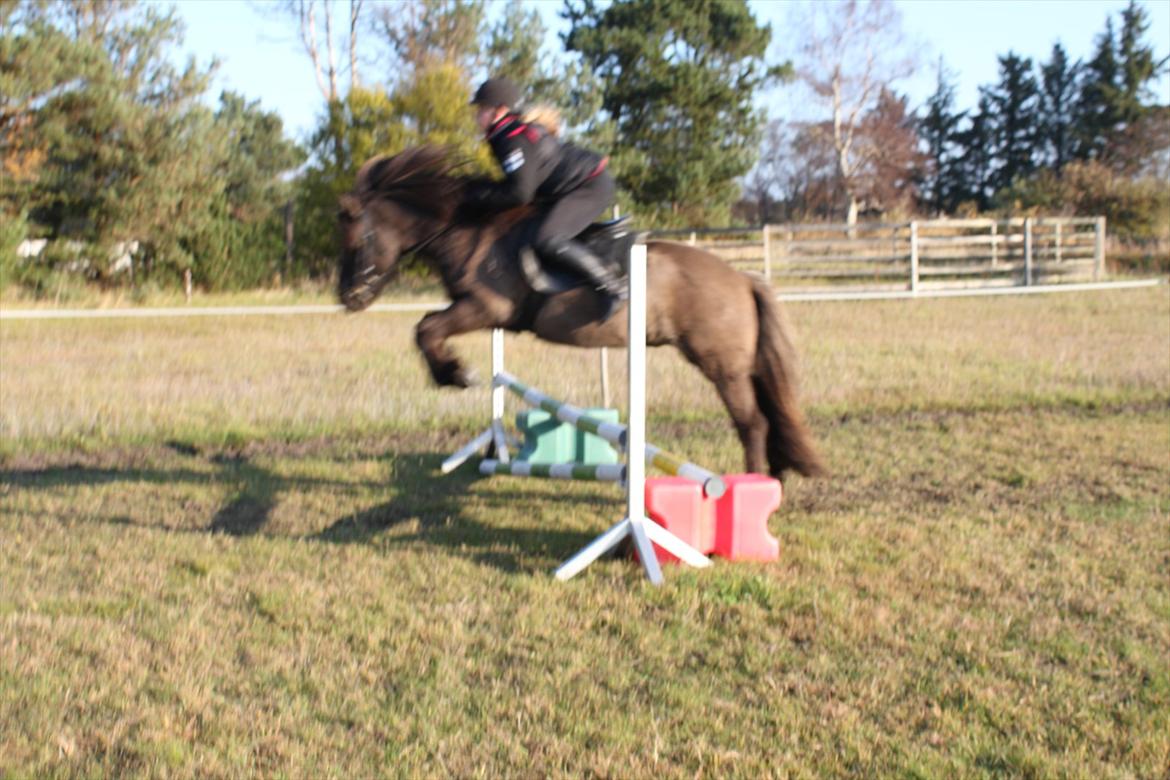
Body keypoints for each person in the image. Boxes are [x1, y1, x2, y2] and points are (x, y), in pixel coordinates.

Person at [465, 76, 626, 319]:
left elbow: (520, 193)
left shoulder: (510, 139)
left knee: (547, 239)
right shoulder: (506, 134)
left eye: (482, 109)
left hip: (589, 186)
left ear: (500, 110)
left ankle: (613, 287)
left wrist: (478, 196)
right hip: (572, 187)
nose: (477, 116)